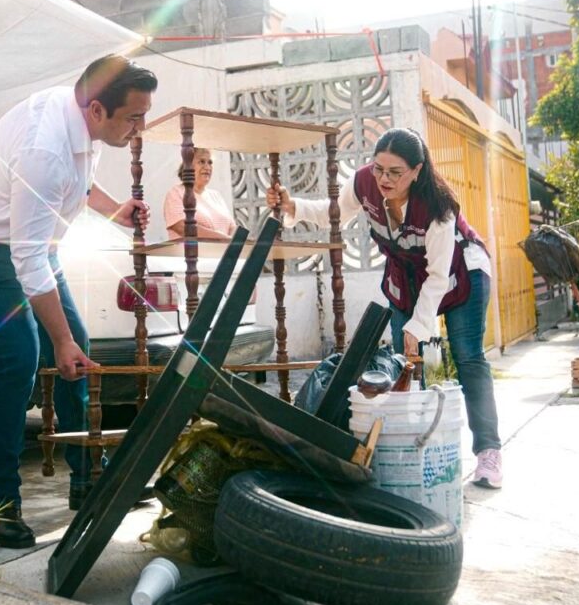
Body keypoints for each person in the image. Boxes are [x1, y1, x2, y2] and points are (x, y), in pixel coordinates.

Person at [0, 55, 158, 548]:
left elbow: (75, 183)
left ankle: (88, 479)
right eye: (133, 118)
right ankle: (0, 504)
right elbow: (28, 258)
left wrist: (115, 210)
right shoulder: (45, 148)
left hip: (24, 241)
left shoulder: (78, 119)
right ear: (97, 110)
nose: (139, 128)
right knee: (20, 354)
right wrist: (58, 339)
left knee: (79, 343)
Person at [266, 127, 503, 489]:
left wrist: (419, 326)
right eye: (379, 168)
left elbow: (438, 277)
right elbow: (334, 212)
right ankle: (416, 448)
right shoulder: (364, 183)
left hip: (460, 273)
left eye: (395, 172)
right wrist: (292, 206)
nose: (384, 179)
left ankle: (488, 452)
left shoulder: (438, 208)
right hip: (406, 275)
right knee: (404, 363)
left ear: (417, 171)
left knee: (467, 356)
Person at [163, 148, 236, 239]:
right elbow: (182, 227)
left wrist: (235, 242)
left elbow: (232, 226)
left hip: (226, 248)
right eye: (201, 162)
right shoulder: (176, 193)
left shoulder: (216, 195)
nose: (207, 167)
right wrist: (222, 239)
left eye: (210, 162)